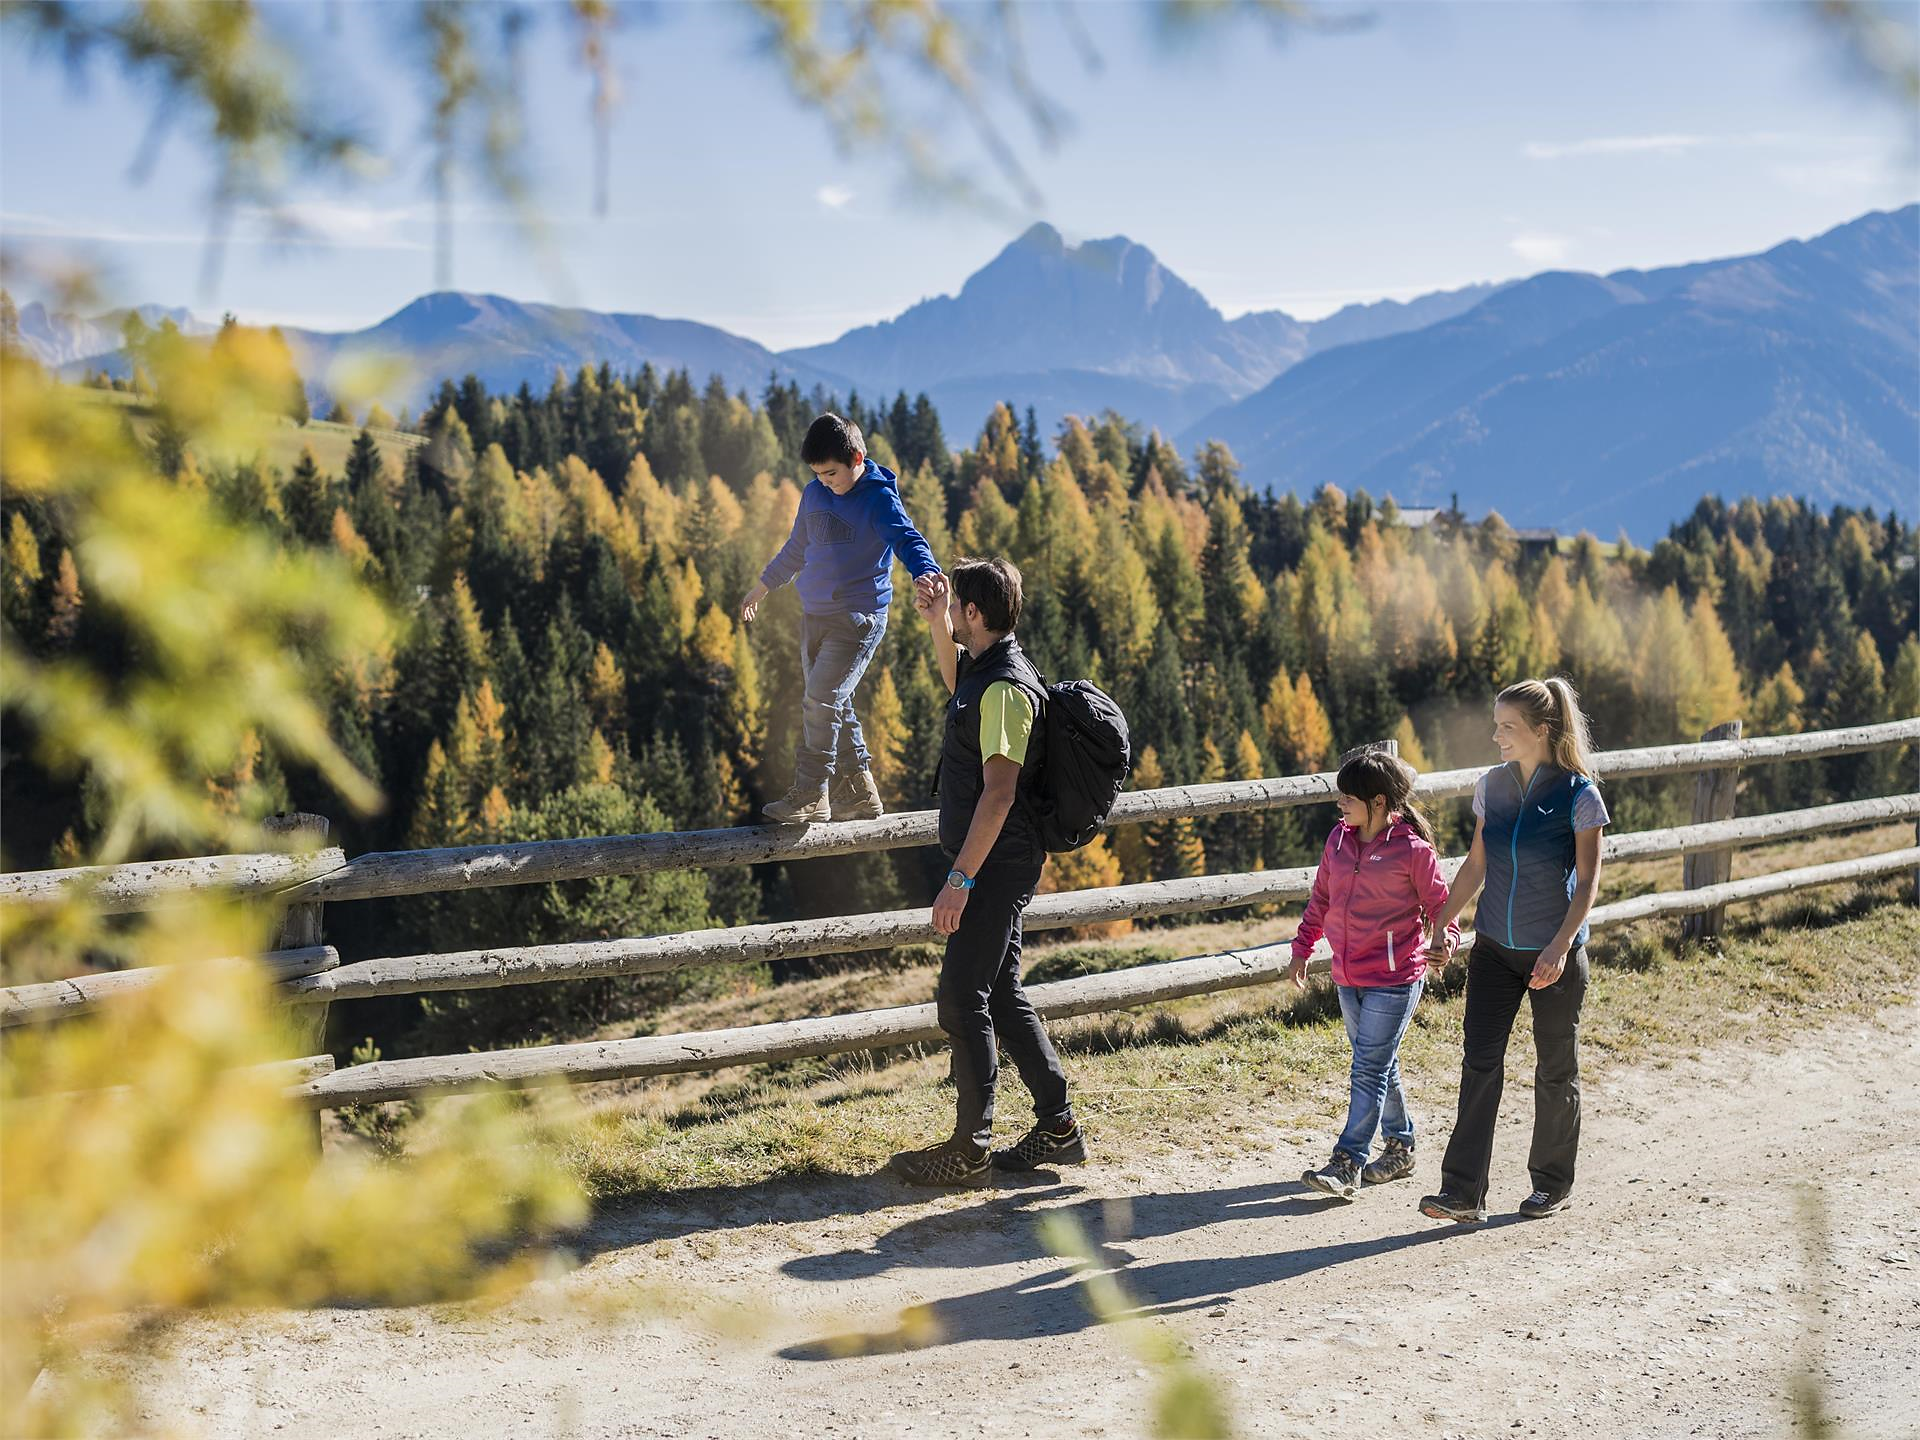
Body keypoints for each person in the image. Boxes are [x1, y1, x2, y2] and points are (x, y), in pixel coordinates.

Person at [887, 559, 1085, 1188]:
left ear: (978, 614)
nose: (955, 618)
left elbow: (998, 795)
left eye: (959, 608)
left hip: (996, 864)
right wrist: (936, 620)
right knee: (1000, 994)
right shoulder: (987, 672)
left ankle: (969, 1146)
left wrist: (961, 879)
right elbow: (956, 684)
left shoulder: (1005, 689)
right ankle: (1057, 1127)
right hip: (996, 858)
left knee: (960, 998)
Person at [1419, 678, 1609, 1224]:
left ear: (1541, 731)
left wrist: (1560, 945)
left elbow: (1591, 882)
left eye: (1508, 727)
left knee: (1555, 1070)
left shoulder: (1579, 794)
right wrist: (1442, 920)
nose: (1497, 735)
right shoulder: (1491, 787)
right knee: (1479, 1062)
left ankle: (1551, 1184)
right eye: (1496, 725)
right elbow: (1477, 863)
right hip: (1495, 951)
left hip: (1555, 953)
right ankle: (1462, 1192)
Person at [740, 413, 940, 824]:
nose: (825, 481)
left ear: (857, 457)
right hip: (814, 616)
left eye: (831, 473)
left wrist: (926, 572)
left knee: (820, 699)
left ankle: (813, 793)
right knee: (834, 701)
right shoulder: (814, 494)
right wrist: (762, 587)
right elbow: (796, 547)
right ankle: (860, 790)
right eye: (817, 474)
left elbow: (907, 538)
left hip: (858, 617)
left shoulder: (877, 498)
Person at [1289, 748, 1457, 1200]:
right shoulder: (1338, 842)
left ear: (1379, 802)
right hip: (1348, 975)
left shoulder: (1411, 851)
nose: (1340, 804)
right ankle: (1401, 1145)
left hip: (1397, 977)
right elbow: (1321, 898)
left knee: (1367, 1068)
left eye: (1349, 797)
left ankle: (1347, 1162)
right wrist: (1302, 947)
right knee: (1380, 1065)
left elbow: (1444, 909)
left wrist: (1445, 942)